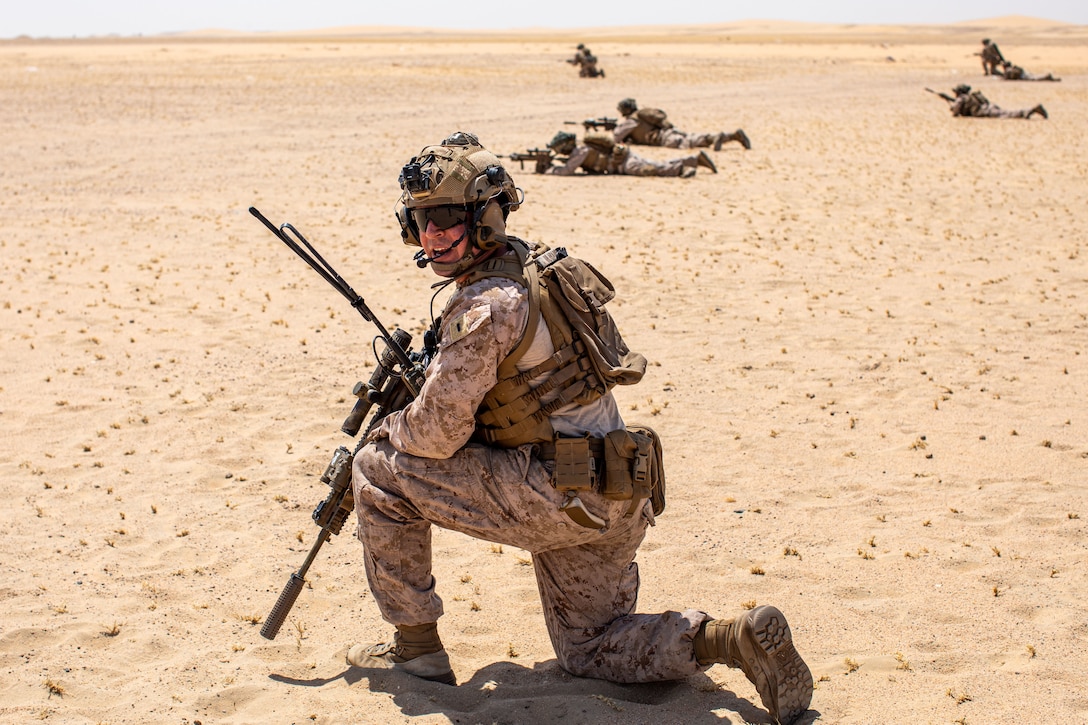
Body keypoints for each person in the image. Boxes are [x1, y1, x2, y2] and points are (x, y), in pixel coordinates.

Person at [345, 131, 814, 725]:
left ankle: (417, 655)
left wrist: (391, 427)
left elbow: (435, 435)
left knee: (376, 469)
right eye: (418, 221)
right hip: (620, 487)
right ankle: (730, 638)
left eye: (444, 217)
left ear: (484, 218)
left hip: (559, 496)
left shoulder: (485, 306)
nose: (430, 235)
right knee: (588, 648)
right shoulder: (542, 269)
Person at [539, 130, 718, 177]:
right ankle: (691, 161)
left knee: (652, 168)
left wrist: (548, 170)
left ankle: (685, 166)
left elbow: (567, 170)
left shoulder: (580, 151)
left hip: (623, 163)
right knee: (656, 164)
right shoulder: (581, 148)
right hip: (623, 160)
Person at [613, 98, 750, 152]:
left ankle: (721, 137)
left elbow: (617, 136)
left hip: (664, 138)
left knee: (691, 143)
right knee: (696, 138)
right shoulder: (641, 116)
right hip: (670, 131)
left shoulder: (632, 121)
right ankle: (731, 136)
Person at [946, 83, 1047, 119]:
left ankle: (1030, 110)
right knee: (1006, 112)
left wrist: (951, 105)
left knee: (1008, 114)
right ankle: (1030, 110)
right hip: (990, 107)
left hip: (985, 112)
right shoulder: (974, 95)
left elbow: (955, 112)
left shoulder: (962, 98)